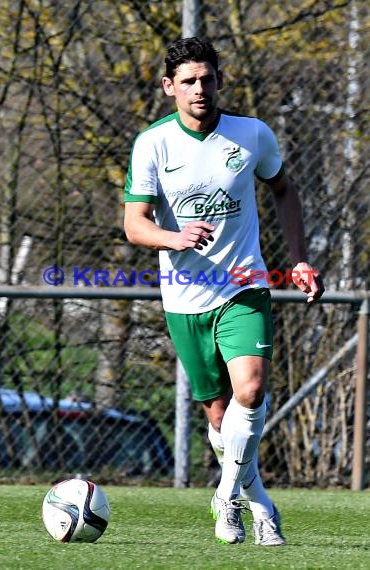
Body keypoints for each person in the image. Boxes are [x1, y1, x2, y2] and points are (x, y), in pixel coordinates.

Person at [124, 37, 324, 546]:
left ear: (220, 81)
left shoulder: (251, 134)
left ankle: (225, 494)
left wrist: (298, 259)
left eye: (207, 78)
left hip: (244, 284)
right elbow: (134, 225)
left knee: (251, 391)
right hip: (184, 297)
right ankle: (260, 507)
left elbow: (284, 190)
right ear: (169, 87)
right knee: (219, 416)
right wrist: (174, 237)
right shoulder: (153, 143)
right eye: (187, 81)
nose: (199, 89)